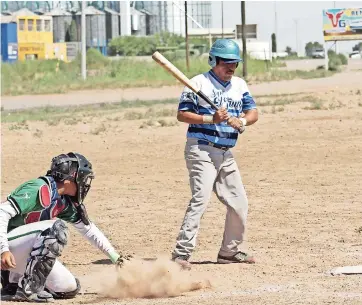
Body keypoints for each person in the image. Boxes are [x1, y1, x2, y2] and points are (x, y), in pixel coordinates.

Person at [171, 39, 259, 270]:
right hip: (201, 148)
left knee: (239, 202)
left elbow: (253, 112)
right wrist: (212, 118)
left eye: (234, 64)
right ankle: (181, 254)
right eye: (226, 64)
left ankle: (229, 252)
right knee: (200, 199)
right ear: (214, 61)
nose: (230, 68)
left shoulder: (239, 85)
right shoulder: (198, 83)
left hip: (226, 152)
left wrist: (241, 121)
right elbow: (182, 114)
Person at [0, 152, 131, 302]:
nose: (85, 183)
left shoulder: (61, 202)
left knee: (68, 288)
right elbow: (1, 212)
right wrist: (3, 249)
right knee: (54, 229)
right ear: (71, 178)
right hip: (5, 249)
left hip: (16, 253)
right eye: (83, 178)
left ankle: (14, 284)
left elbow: (88, 230)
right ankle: (28, 289)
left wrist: (116, 258)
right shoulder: (39, 188)